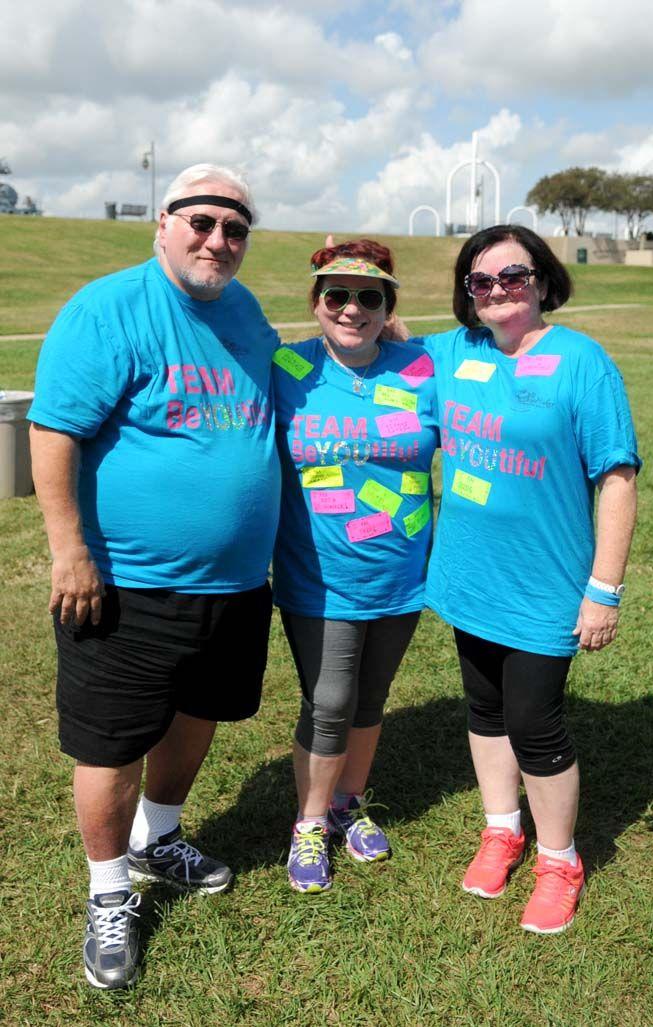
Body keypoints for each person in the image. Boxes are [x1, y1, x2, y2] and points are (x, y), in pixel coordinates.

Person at [28, 163, 281, 988]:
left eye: (234, 228)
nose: (218, 240)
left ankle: (158, 836)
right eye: (201, 221)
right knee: (110, 746)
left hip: (236, 584)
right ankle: (108, 893)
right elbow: (55, 430)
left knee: (201, 712)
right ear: (162, 222)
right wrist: (69, 550)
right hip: (126, 584)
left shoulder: (245, 312)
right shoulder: (106, 309)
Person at [419, 224, 640, 933]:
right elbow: (373, 343)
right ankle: (500, 829)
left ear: (542, 280)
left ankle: (558, 860)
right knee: (485, 711)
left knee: (534, 724)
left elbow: (617, 477)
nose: (497, 291)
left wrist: (603, 588)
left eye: (512, 277)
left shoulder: (582, 361)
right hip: (469, 576)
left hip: (546, 585)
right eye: (480, 282)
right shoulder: (453, 352)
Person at [272, 240, 440, 893]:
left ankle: (347, 804)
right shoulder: (286, 366)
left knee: (370, 699)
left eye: (368, 296)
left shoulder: (422, 366)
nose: (351, 308)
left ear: (388, 307)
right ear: (315, 303)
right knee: (330, 699)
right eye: (335, 295)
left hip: (402, 570)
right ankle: (310, 822)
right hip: (319, 571)